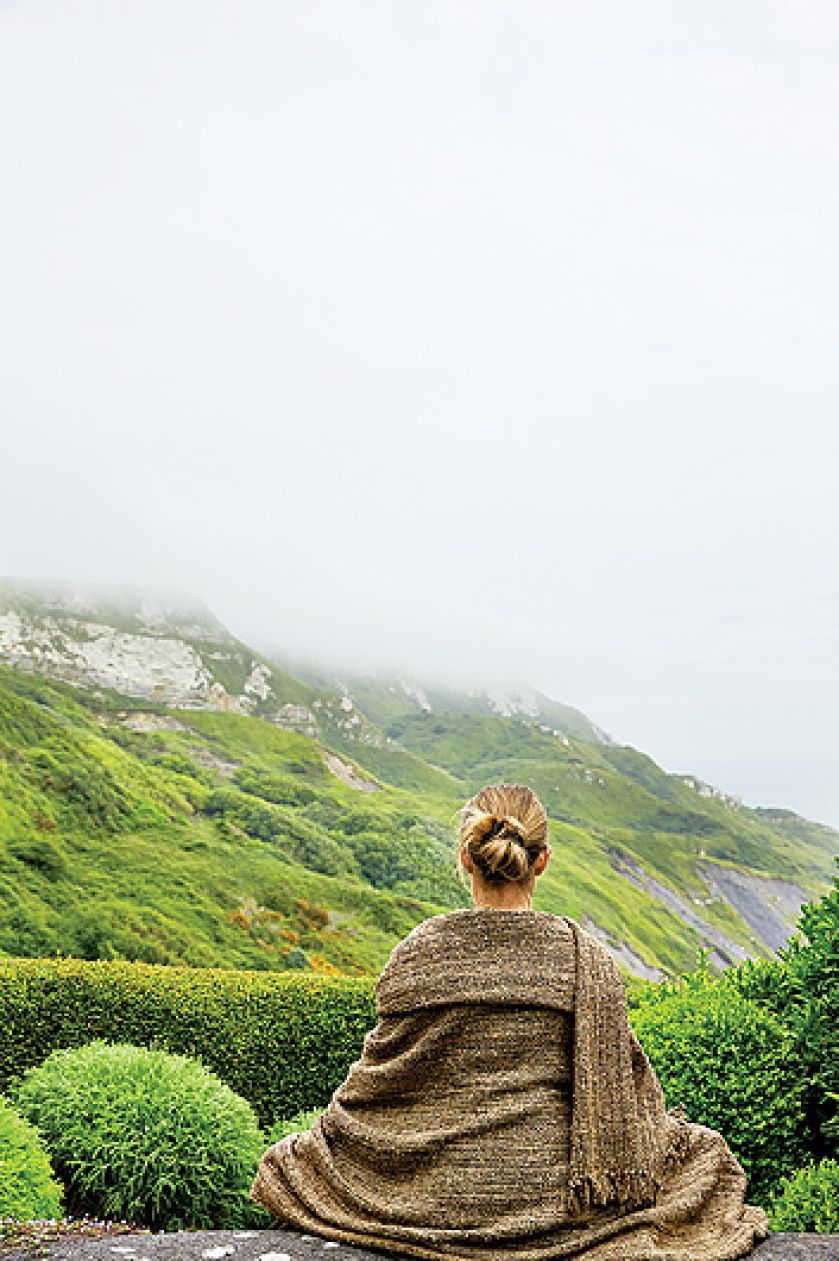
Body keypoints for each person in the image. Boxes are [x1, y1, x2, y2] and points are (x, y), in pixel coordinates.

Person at [250, 782, 770, 1260]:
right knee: (705, 1154)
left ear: (466, 859)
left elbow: (376, 1087)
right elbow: (627, 1099)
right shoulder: (586, 958)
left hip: (434, 1194)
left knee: (289, 1161)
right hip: (560, 1198)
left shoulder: (418, 953)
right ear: (541, 862)